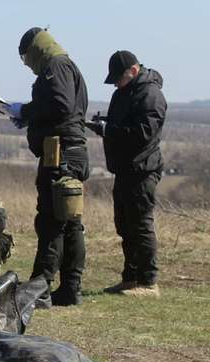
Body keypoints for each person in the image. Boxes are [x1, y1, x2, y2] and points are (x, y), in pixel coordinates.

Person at [3, 27, 89, 306]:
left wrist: (25, 111)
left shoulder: (56, 66)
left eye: (26, 58)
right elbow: (58, 107)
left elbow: (60, 106)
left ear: (36, 51)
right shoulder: (66, 66)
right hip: (70, 152)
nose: (27, 66)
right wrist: (30, 118)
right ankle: (70, 289)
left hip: (59, 155)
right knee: (70, 222)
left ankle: (40, 288)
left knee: (52, 222)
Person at [86, 51, 166, 298]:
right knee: (125, 225)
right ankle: (130, 278)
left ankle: (148, 282)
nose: (115, 84)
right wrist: (104, 124)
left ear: (132, 71)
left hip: (142, 170)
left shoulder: (151, 94)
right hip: (124, 169)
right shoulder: (125, 92)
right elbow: (124, 122)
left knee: (141, 225)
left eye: (118, 79)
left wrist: (109, 129)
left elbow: (144, 132)